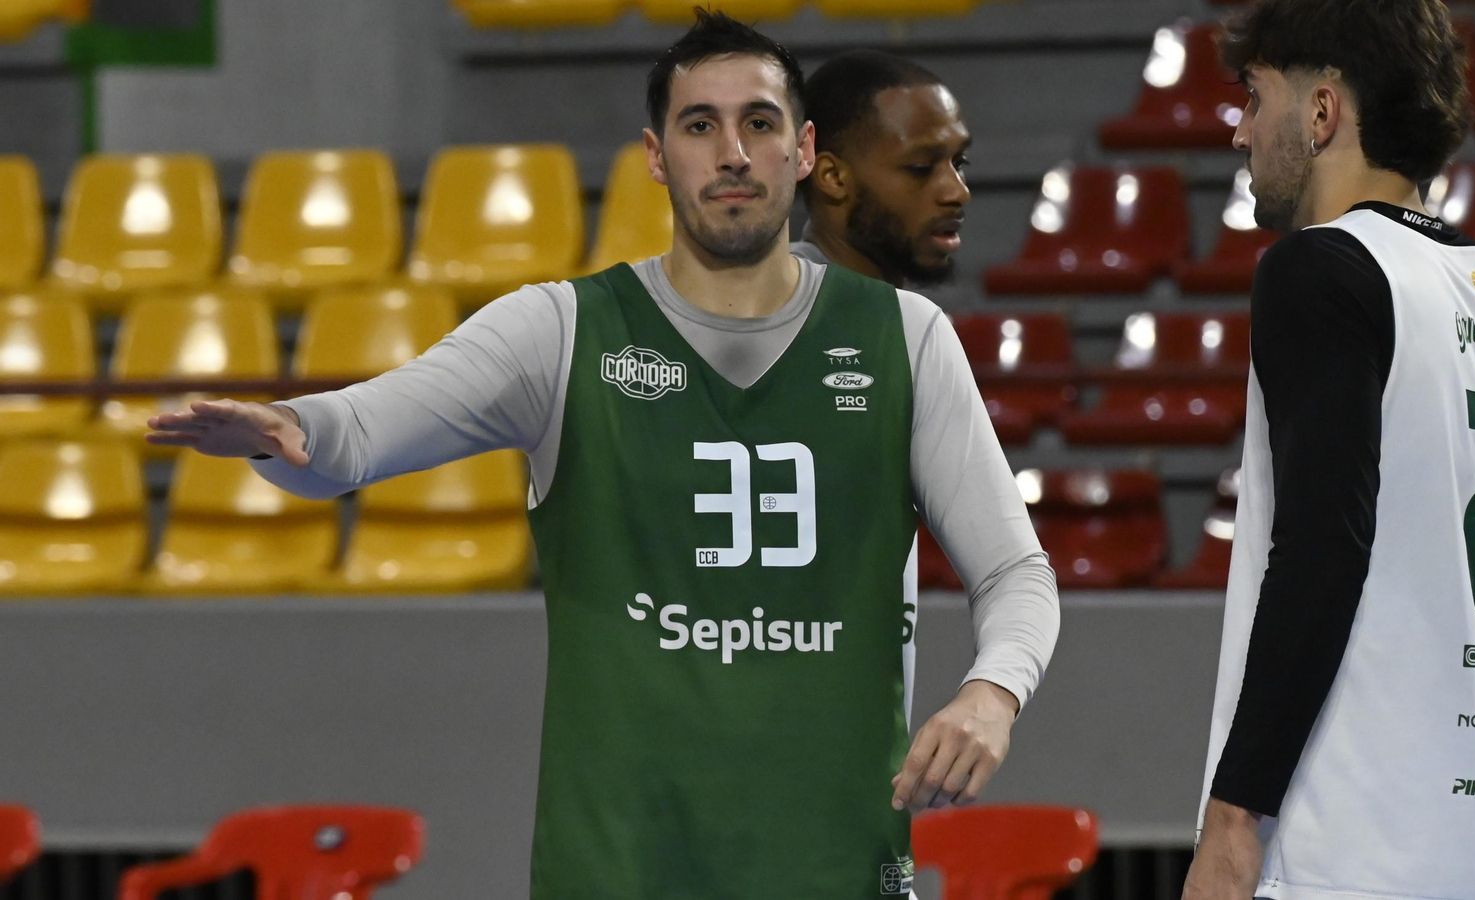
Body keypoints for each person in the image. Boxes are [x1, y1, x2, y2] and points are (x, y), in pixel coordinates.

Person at [148, 10, 1059, 899]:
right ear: (658, 156)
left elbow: (1016, 568)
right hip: (619, 870)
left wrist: (993, 693)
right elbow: (357, 434)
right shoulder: (559, 331)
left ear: (805, 149)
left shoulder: (906, 338)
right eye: (700, 125)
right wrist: (292, 436)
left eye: (759, 122)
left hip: (839, 863)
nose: (732, 152)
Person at [1183, 1, 1475, 898]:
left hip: (1362, 846)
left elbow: (1321, 552)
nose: (1242, 131)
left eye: (1255, 99)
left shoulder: (1320, 270)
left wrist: (1231, 818)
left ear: (1324, 110)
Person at [794, 49, 971, 288]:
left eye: (959, 163)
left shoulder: (903, 312)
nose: (959, 193)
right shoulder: (766, 305)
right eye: (921, 168)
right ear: (833, 177)